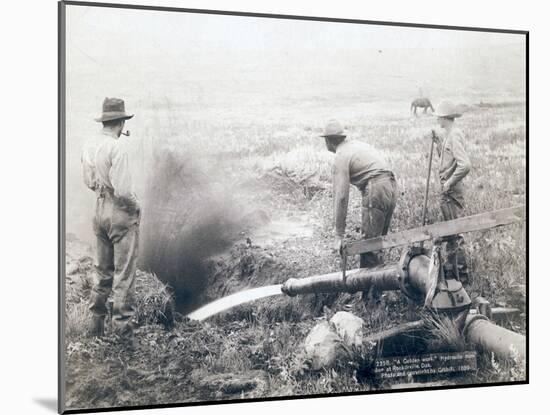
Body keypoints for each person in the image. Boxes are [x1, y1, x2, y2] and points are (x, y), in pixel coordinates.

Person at [81, 97, 140, 338]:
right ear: (121, 122)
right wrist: (135, 207)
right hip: (119, 210)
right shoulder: (119, 147)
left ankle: (95, 327)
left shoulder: (89, 145)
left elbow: (88, 181)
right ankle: (122, 332)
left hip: (99, 208)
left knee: (103, 272)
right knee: (123, 273)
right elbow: (124, 191)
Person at [321, 119, 398, 269]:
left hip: (376, 188)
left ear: (328, 141)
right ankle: (377, 288)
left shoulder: (341, 156)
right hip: (391, 185)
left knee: (369, 246)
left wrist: (339, 235)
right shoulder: (358, 145)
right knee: (378, 243)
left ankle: (368, 291)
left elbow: (341, 196)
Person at [431, 101, 472, 284]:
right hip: (449, 189)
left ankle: (461, 277)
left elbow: (464, 165)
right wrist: (439, 143)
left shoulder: (454, 135)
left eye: (439, 116)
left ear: (445, 117)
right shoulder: (450, 134)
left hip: (452, 191)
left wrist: (448, 182)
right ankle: (451, 271)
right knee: (451, 231)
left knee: (456, 232)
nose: (437, 119)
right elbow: (449, 161)